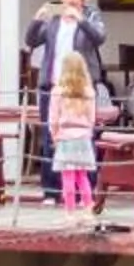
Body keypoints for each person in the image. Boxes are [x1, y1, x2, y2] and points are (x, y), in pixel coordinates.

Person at [22, 0, 107, 202]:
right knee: (51, 137)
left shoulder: (91, 14)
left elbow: (99, 37)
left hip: (79, 89)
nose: (70, 1)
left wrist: (81, 20)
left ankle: (84, 191)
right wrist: (37, 20)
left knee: (84, 136)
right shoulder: (54, 18)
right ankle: (52, 191)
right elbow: (31, 41)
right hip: (52, 85)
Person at [48, 55, 103, 220]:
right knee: (82, 176)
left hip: (65, 136)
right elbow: (92, 118)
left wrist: (54, 136)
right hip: (83, 137)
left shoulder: (58, 92)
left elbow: (53, 118)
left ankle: (70, 212)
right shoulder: (89, 92)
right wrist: (88, 133)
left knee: (67, 176)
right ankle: (88, 207)